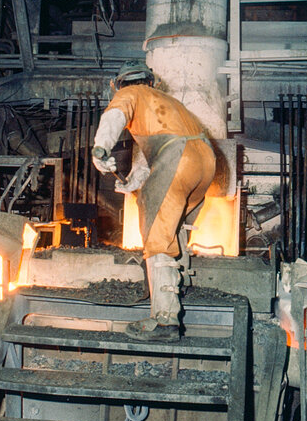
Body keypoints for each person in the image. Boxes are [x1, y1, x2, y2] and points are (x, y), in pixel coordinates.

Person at [91, 61, 216, 337]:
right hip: (205, 161)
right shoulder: (168, 102)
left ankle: (165, 319)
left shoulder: (128, 94)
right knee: (173, 222)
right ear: (152, 82)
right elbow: (168, 148)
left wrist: (100, 150)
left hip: (178, 157)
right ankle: (177, 283)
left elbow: (114, 116)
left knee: (157, 231)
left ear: (117, 84)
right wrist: (137, 180)